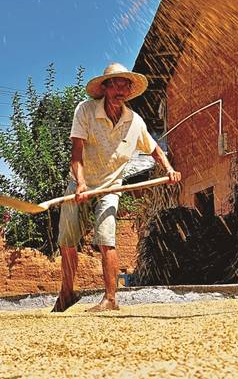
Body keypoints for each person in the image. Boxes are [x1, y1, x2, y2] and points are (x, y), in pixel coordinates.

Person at [54, 62, 181, 312]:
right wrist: (80, 184)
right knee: (67, 239)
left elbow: (155, 150)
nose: (119, 90)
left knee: (106, 238)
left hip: (111, 187)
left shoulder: (135, 122)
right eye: (115, 85)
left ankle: (111, 299)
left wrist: (169, 170)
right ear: (105, 88)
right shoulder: (86, 111)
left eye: (125, 85)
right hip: (81, 182)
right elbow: (76, 155)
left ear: (129, 90)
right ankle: (67, 292)